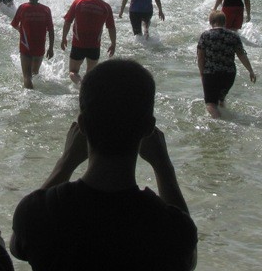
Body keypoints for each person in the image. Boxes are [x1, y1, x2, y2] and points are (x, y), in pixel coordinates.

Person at [10, 59, 198, 271]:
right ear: (149, 128)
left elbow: (17, 246)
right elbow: (188, 261)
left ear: (81, 125)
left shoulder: (40, 212)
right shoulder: (166, 227)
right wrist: (164, 169)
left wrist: (65, 164)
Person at [197, 11, 256, 119]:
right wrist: (250, 71)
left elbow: (200, 57)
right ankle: (224, 116)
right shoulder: (233, 36)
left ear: (211, 22)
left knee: (211, 104)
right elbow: (241, 55)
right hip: (228, 75)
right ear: (224, 22)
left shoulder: (205, 35)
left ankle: (220, 124)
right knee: (220, 99)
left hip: (211, 74)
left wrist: (202, 73)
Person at [61, 0, 116, 84]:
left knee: (73, 72)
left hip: (78, 45)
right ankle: (87, 88)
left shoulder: (78, 2)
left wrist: (64, 37)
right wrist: (113, 43)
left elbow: (67, 22)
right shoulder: (106, 7)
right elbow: (111, 27)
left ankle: (81, 84)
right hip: (94, 46)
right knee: (90, 75)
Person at [11, 0, 55, 89]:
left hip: (26, 46)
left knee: (27, 76)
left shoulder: (23, 8)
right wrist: (51, 48)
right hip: (40, 47)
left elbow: (14, 24)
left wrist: (20, 30)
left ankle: (30, 97)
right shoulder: (46, 10)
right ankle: (36, 90)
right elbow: (51, 30)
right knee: (35, 73)